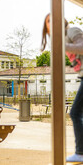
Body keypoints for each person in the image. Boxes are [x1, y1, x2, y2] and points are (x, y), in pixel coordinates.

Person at [41, 13, 83, 162]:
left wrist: (62, 45)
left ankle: (80, 152)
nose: (51, 24)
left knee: (75, 113)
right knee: (77, 113)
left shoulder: (72, 31)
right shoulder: (61, 38)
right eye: (48, 22)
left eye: (53, 19)